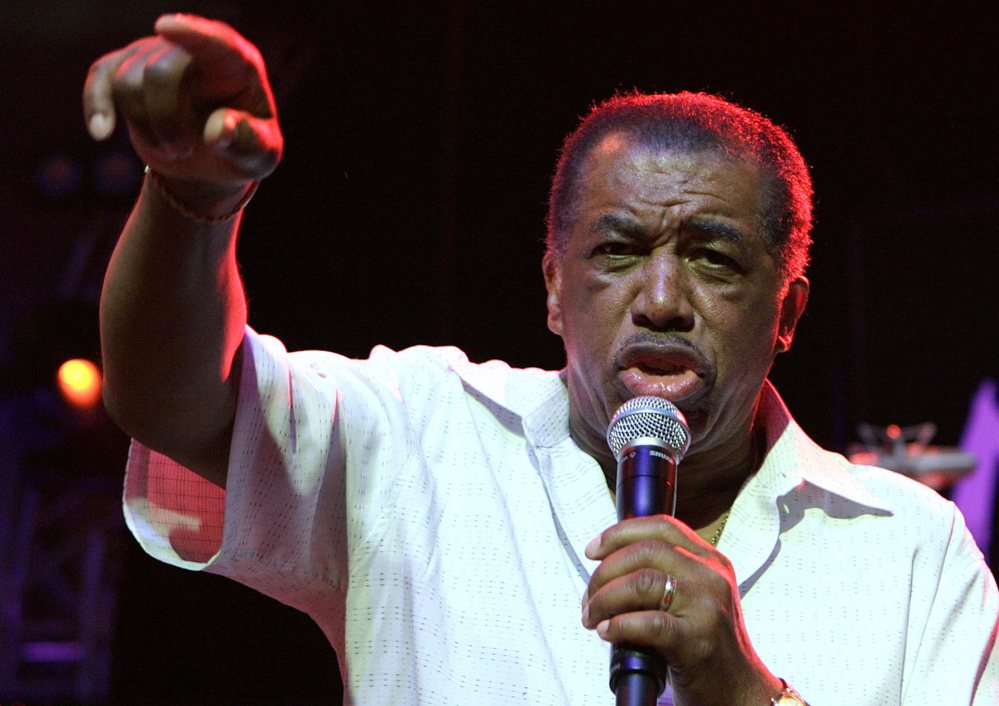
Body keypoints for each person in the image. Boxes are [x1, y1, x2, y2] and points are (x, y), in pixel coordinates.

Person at [84, 14, 998, 706]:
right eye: (616, 252)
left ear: (787, 310)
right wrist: (192, 200)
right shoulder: (420, 437)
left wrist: (743, 693)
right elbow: (174, 401)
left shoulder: (908, 548)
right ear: (553, 287)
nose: (661, 299)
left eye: (712, 257)